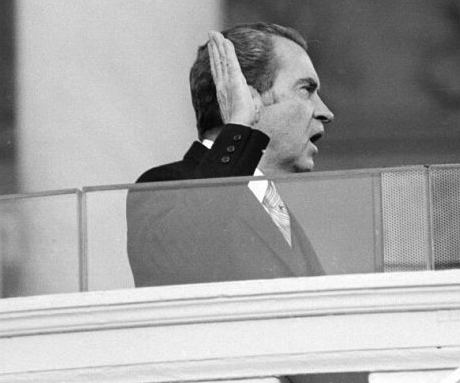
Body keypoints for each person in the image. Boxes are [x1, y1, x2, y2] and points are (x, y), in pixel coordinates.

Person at [127, 22, 334, 287]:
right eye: (306, 89)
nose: (326, 112)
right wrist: (239, 126)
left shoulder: (273, 205)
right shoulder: (162, 184)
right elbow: (174, 267)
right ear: (248, 99)